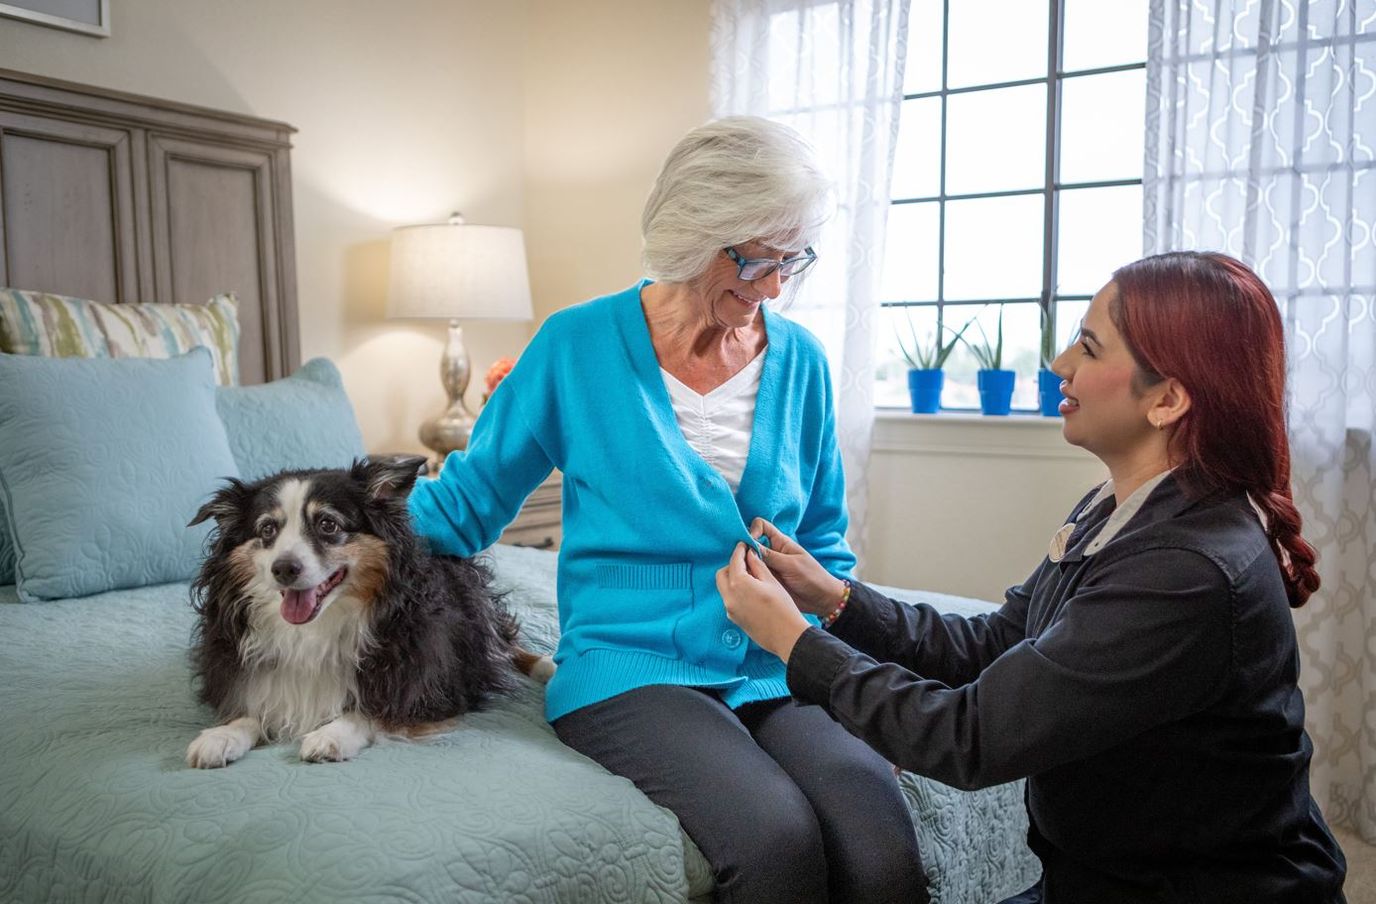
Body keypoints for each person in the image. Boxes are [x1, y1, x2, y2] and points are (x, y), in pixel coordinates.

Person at [716, 251, 1348, 903]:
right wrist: (837, 599)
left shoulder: (1186, 573)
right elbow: (993, 645)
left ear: (1167, 400)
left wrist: (795, 641)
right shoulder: (1119, 508)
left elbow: (969, 737)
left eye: (1090, 347)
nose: (1059, 365)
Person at [408, 116, 928, 904]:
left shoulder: (804, 364)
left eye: (793, 261)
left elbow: (823, 543)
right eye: (757, 260)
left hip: (777, 663)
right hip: (628, 666)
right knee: (776, 839)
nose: (775, 288)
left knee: (877, 834)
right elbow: (469, 504)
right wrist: (335, 529)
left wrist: (850, 680)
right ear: (694, 234)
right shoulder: (575, 346)